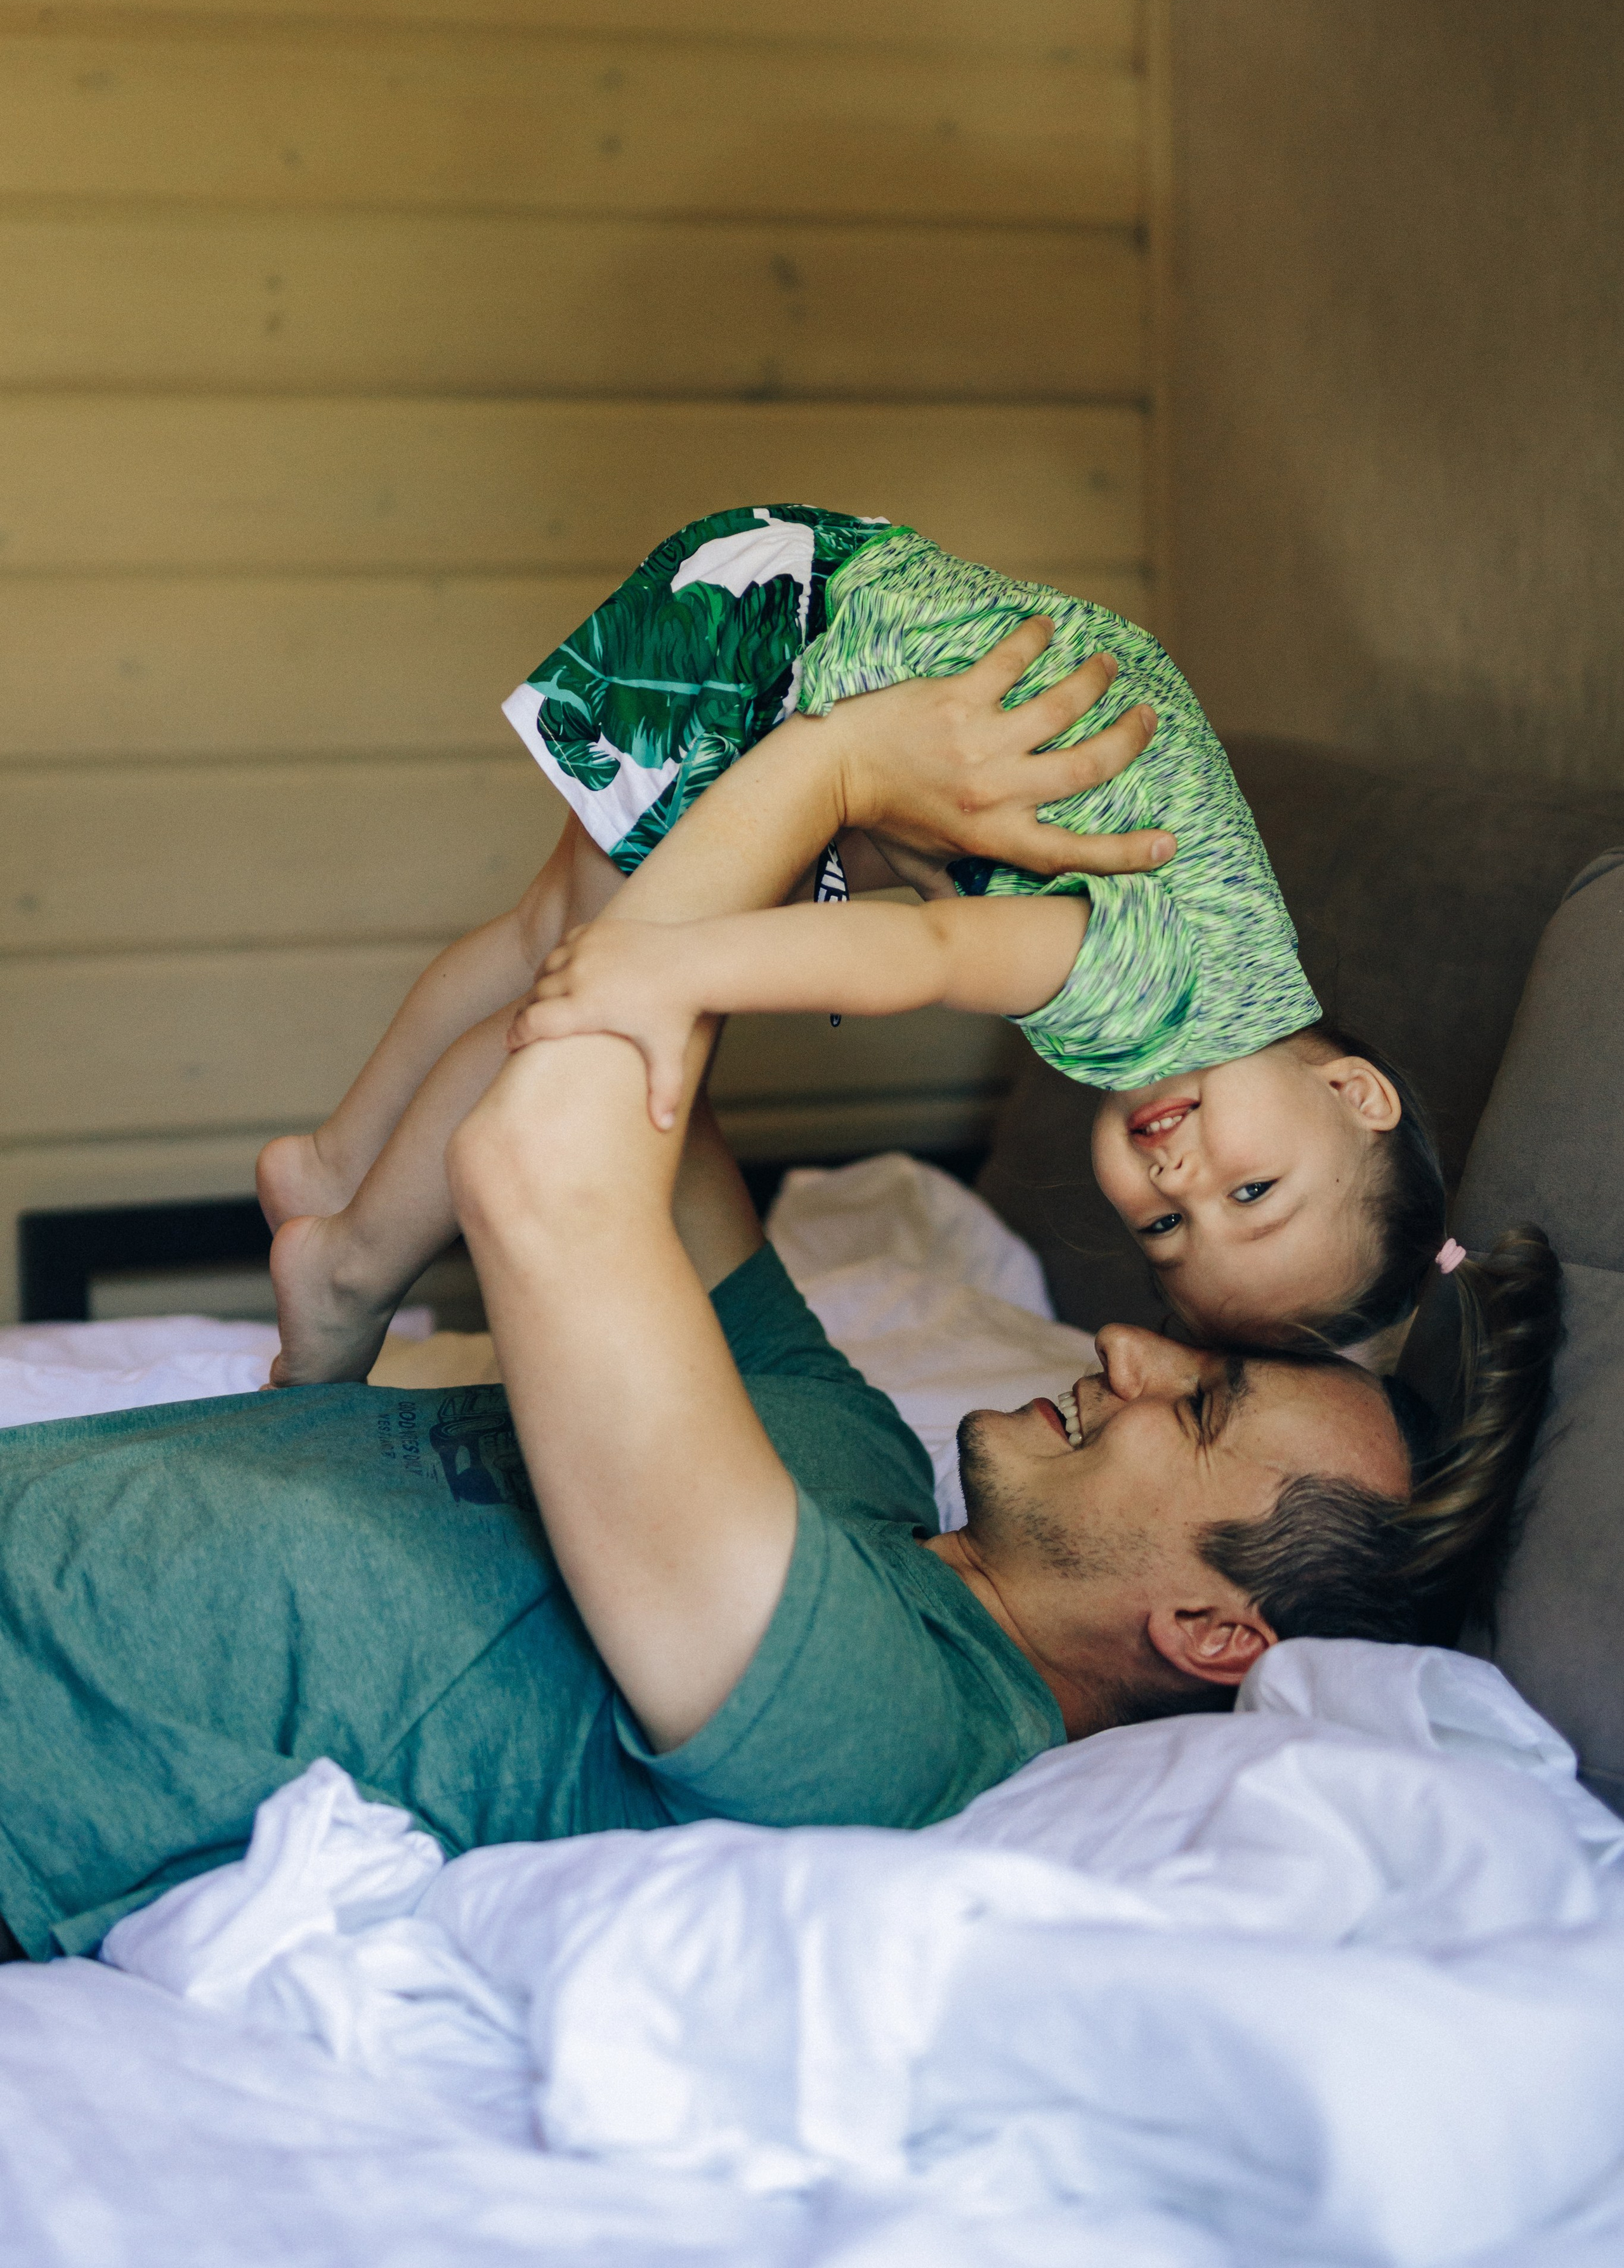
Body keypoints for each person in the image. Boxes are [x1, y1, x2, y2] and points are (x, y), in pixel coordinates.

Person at [0, 677, 1561, 1962]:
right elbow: (628, 1080)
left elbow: (545, 1167)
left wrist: (825, 768)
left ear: (1215, 1636)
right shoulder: (851, 1451)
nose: (1123, 1348)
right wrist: (887, 869)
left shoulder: (887, 1727)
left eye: (1195, 1408)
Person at [259, 506, 1451, 1379]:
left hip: (796, 573)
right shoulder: (1166, 993)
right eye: (1255, 1190)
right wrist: (677, 961)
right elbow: (920, 957)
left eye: (1167, 1230)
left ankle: (334, 1158)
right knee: (586, 1018)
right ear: (1355, 1091)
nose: (1183, 1185)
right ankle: (352, 1261)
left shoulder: (1246, 941)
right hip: (784, 664)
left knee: (544, 937)